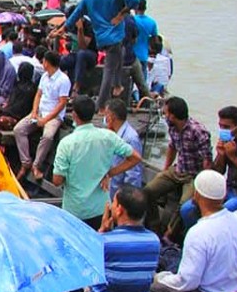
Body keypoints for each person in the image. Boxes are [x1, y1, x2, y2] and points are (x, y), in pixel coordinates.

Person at [78, 185, 160, 292]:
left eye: (114, 203)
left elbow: (83, 267)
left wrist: (102, 230)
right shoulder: (154, 241)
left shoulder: (105, 241)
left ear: (119, 210)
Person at [52, 95, 142, 233]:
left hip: (75, 210)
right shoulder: (108, 136)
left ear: (74, 115)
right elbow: (135, 158)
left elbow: (57, 180)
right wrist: (110, 172)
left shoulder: (67, 143)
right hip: (101, 209)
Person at [61, 0, 140, 108]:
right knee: (108, 71)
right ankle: (100, 105)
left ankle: (117, 85)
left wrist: (63, 28)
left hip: (102, 39)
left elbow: (75, 14)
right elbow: (135, 0)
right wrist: (121, 14)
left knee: (120, 53)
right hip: (114, 38)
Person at [144, 97, 212, 237]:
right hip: (177, 170)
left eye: (166, 113)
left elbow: (207, 160)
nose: (164, 115)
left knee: (184, 206)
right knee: (148, 191)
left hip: (192, 175)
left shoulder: (198, 131)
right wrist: (165, 169)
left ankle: (169, 234)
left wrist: (202, 186)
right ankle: (154, 224)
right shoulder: (173, 126)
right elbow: (172, 147)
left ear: (173, 115)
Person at [180, 106, 237, 230]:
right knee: (188, 209)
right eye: (220, 126)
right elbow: (218, 172)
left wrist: (234, 158)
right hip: (227, 188)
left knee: (224, 210)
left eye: (226, 127)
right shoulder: (227, 140)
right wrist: (221, 155)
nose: (222, 130)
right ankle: (192, 236)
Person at [14, 50, 71, 181]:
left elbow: (62, 103)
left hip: (53, 115)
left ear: (47, 62)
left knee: (47, 136)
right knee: (19, 129)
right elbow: (38, 94)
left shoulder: (63, 80)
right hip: (40, 111)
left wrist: (46, 119)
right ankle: (25, 162)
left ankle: (36, 165)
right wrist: (34, 112)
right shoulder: (45, 76)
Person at [103, 99, 143, 199]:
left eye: (106, 114)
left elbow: (133, 175)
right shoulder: (113, 133)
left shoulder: (130, 138)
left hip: (119, 193)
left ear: (112, 117)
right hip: (109, 189)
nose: (105, 118)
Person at [0, 62, 38, 128]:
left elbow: (19, 106)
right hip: (13, 111)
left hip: (17, 114)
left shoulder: (24, 88)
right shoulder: (32, 87)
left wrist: (6, 109)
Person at [132, 0, 158, 83]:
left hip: (131, 56)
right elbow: (155, 40)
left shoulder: (132, 20)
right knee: (142, 82)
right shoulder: (152, 22)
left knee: (130, 81)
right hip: (143, 55)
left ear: (135, 8)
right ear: (145, 8)